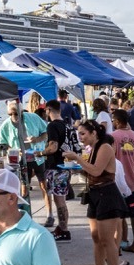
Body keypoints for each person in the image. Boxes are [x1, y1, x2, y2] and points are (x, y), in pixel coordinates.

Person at [63, 120, 126, 265]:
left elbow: (97, 171)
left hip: (107, 194)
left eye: (83, 133)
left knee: (107, 240)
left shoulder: (105, 147)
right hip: (95, 194)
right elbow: (91, 171)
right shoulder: (92, 149)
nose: (80, 137)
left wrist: (77, 160)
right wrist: (77, 166)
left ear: (94, 133)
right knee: (97, 238)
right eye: (79, 133)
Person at [0, 101, 49, 221]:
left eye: (16, 114)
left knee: (43, 185)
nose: (14, 117)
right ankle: (26, 215)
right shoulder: (6, 125)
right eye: (12, 114)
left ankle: (49, 214)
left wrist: (36, 139)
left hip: (37, 156)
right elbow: (3, 144)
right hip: (20, 159)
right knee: (24, 188)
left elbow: (46, 133)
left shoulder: (33, 118)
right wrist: (13, 150)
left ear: (22, 112)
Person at [110, 110, 134, 255]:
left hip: (117, 183)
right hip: (132, 183)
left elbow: (109, 157)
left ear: (117, 121)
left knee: (118, 215)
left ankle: (120, 243)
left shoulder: (112, 137)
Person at [41, 100, 74, 242]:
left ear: (49, 110)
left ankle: (64, 230)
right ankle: (62, 228)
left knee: (59, 200)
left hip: (56, 167)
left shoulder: (52, 126)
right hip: (65, 166)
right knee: (60, 198)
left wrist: (40, 153)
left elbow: (52, 147)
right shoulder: (67, 124)